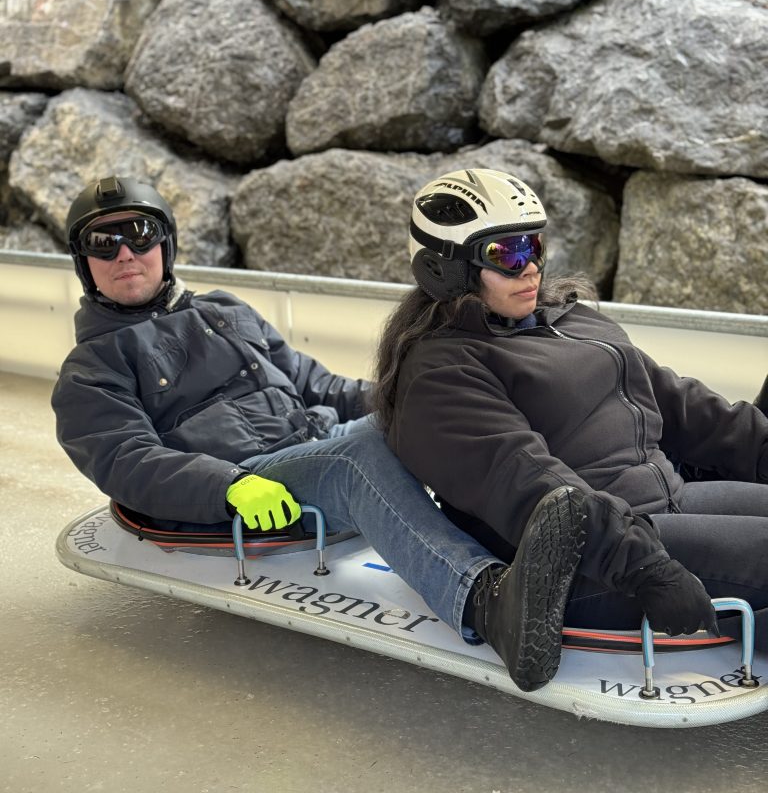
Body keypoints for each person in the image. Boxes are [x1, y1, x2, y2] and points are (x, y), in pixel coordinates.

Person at [52, 174, 588, 693]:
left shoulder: (222, 309)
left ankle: (548, 539)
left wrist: (414, 395)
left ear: (164, 244)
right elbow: (126, 459)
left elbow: (316, 384)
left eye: (140, 236)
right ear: (85, 263)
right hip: (256, 481)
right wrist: (227, 485)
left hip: (318, 439)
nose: (126, 254)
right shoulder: (92, 368)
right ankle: (486, 602)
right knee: (356, 457)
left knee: (453, 407)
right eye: (105, 243)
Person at [372, 167, 768, 645]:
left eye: (533, 247)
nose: (530, 267)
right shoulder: (442, 372)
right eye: (506, 254)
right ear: (445, 269)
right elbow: (528, 480)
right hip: (587, 562)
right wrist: (645, 567)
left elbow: (675, 401)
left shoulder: (567, 320)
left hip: (668, 501)